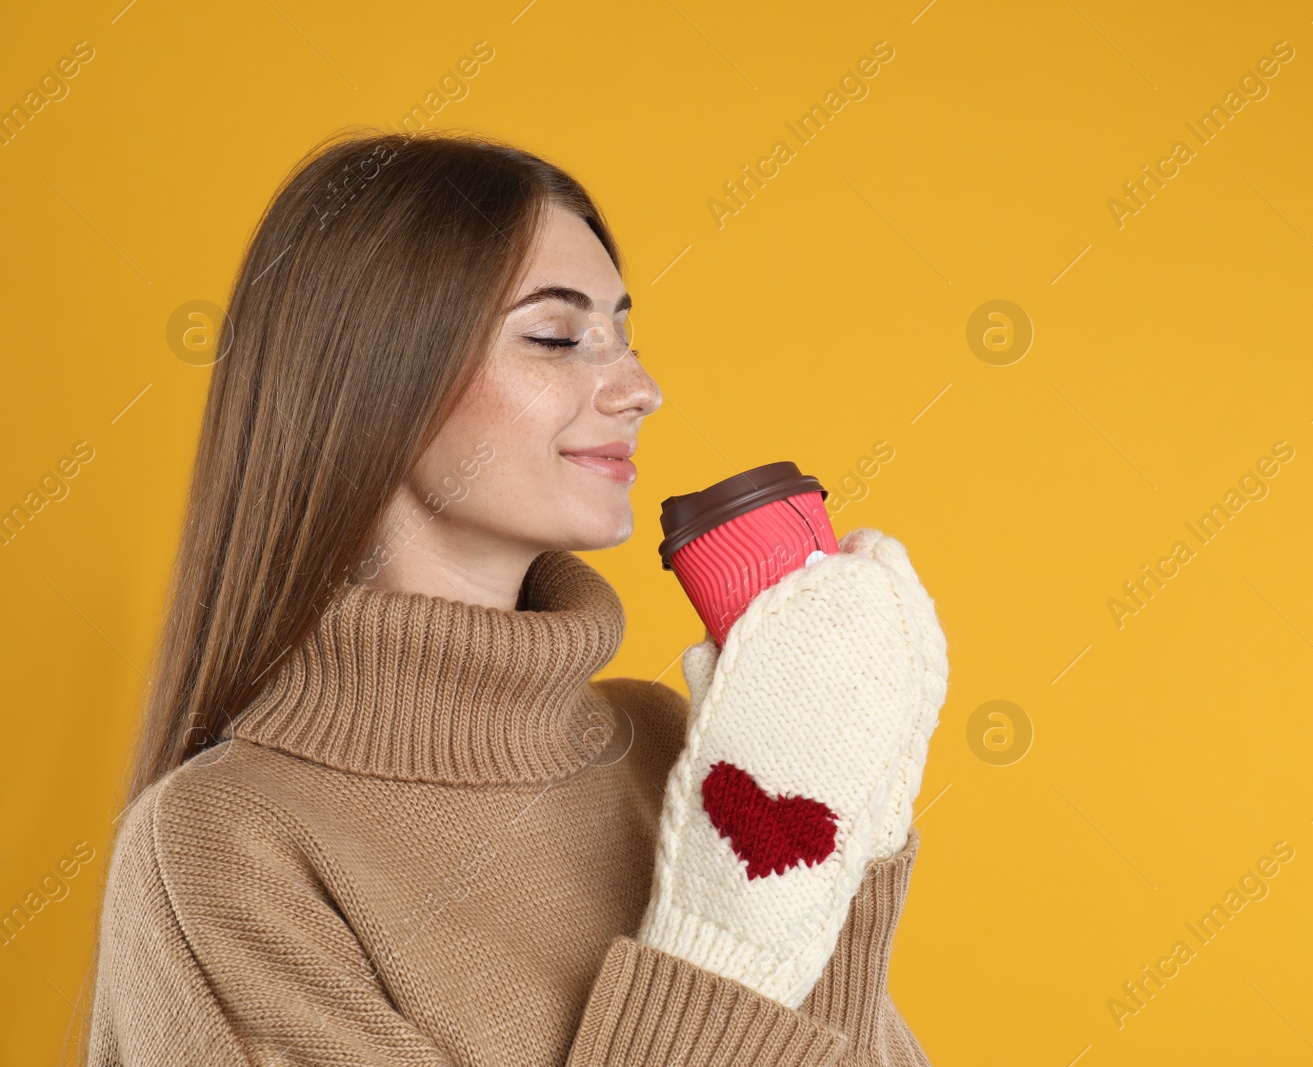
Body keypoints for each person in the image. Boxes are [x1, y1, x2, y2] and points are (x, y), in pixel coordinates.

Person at [81, 129, 949, 1066]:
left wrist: (858, 811)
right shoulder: (227, 848)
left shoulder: (668, 745)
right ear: (377, 380)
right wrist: (725, 937)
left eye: (625, 334)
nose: (641, 388)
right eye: (555, 337)